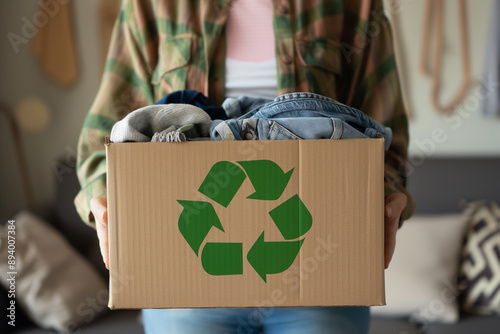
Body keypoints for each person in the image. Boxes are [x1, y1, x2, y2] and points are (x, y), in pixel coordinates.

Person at [75, 0, 416, 333]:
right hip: (183, 285)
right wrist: (106, 198)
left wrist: (386, 195)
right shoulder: (148, 6)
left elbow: (386, 141)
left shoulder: (357, 6)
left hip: (324, 277)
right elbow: (103, 140)